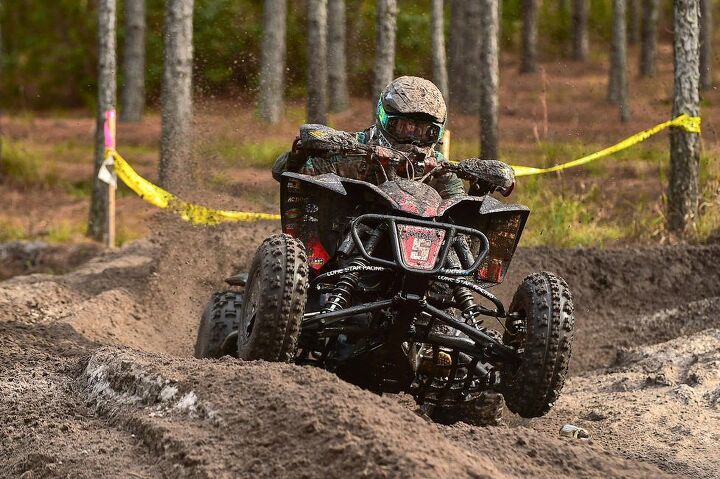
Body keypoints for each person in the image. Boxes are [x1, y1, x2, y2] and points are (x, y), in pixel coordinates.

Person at [275, 76, 467, 199]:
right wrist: (298, 156)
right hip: (351, 238)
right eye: (403, 126)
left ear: (437, 133)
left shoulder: (440, 168)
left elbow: (460, 206)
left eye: (424, 131)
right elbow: (285, 173)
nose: (412, 137)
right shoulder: (353, 148)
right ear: (385, 120)